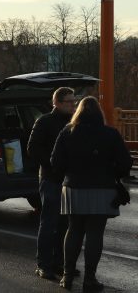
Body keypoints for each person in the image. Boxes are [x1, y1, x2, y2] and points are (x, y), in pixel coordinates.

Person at [51, 97, 132, 291]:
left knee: (73, 230)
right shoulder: (110, 134)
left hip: (73, 188)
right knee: (95, 233)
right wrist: (112, 172)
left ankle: (67, 276)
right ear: (99, 114)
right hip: (102, 189)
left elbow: (56, 162)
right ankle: (89, 279)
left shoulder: (67, 131)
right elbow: (125, 163)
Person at [27, 87, 76, 281]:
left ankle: (59, 263)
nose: (73, 105)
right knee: (49, 223)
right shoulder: (45, 121)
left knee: (66, 224)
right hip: (51, 178)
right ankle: (43, 265)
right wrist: (52, 164)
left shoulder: (74, 123)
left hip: (69, 180)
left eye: (74, 101)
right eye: (69, 102)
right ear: (56, 103)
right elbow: (32, 148)